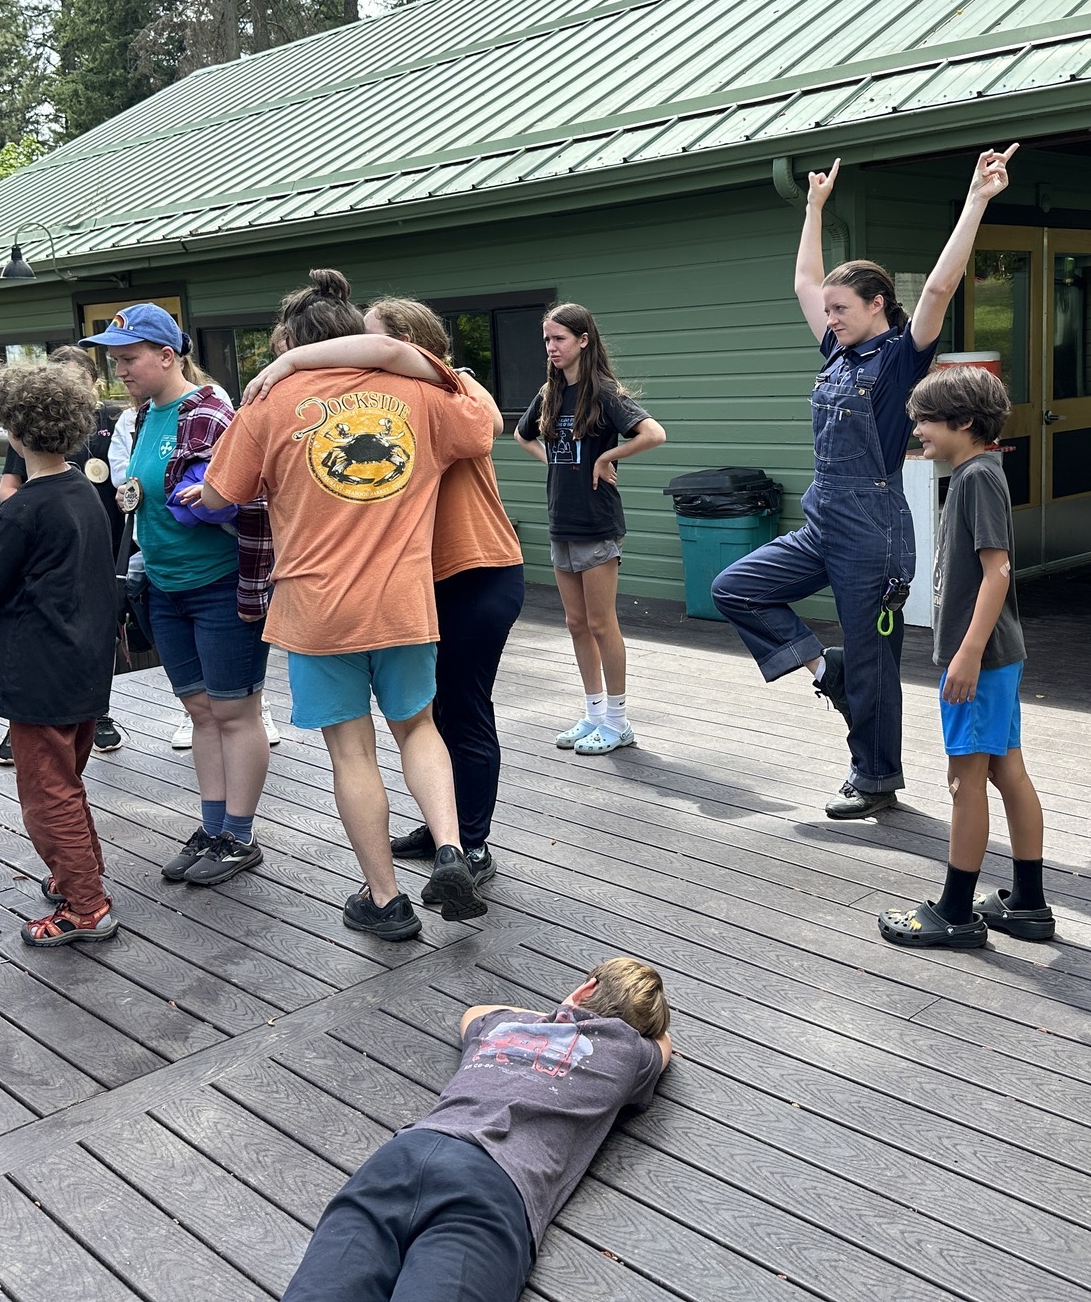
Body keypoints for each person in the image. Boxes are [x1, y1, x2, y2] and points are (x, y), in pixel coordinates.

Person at [711, 148, 1017, 819]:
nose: (830, 317)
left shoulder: (902, 356)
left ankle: (875, 778)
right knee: (736, 588)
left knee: (876, 664)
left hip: (873, 532)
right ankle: (829, 671)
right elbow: (803, 280)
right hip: (823, 520)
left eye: (841, 308)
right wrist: (813, 206)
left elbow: (939, 288)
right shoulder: (838, 353)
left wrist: (976, 199)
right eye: (828, 310)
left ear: (877, 304)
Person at [207, 271, 497, 940]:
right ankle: (450, 848)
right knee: (419, 728)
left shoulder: (270, 401)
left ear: (290, 340)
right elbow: (482, 428)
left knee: (352, 754)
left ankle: (386, 901)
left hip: (316, 610)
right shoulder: (420, 394)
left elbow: (222, 493)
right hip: (404, 603)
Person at [281, 957, 672, 1302]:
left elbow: (474, 1011)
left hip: (403, 1157)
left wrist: (561, 1012)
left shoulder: (504, 1023)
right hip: (495, 1183)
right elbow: (664, 1042)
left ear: (586, 989)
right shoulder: (627, 1050)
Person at [82, 304, 273, 887]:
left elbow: (258, 495)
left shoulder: (212, 413)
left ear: (168, 356)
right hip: (163, 586)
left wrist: (212, 501)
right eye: (115, 361)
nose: (120, 371)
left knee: (236, 712)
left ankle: (239, 836)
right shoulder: (141, 417)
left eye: (129, 359)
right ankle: (213, 827)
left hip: (219, 586)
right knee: (200, 712)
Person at [877, 365, 1052, 949]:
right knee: (1006, 770)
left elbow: (997, 571)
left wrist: (968, 653)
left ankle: (954, 912)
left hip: (982, 657)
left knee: (965, 780)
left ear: (965, 422)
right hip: (999, 655)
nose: (918, 431)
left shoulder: (976, 478)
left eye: (926, 420)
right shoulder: (979, 473)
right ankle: (1027, 903)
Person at [0, 363, 120, 946]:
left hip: (41, 670)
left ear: (13, 431)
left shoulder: (25, 508)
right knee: (66, 782)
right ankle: (79, 877)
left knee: (47, 794)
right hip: (86, 662)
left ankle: (86, 907)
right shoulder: (82, 491)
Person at [513, 305, 666, 756]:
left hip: (597, 523)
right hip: (561, 521)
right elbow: (523, 435)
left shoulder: (604, 392)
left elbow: (654, 434)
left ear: (583, 340)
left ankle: (618, 722)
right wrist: (557, 465)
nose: (551, 347)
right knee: (576, 623)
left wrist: (604, 457)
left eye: (559, 338)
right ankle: (594, 714)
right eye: (547, 339)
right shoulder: (550, 393)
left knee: (601, 623)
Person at [0, 345, 126, 764]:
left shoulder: (115, 420)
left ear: (93, 385)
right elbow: (10, 486)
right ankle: (27, 725)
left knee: (96, 629)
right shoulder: (30, 431)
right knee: (55, 632)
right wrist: (27, 513)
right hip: (50, 539)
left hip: (101, 538)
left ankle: (97, 713)